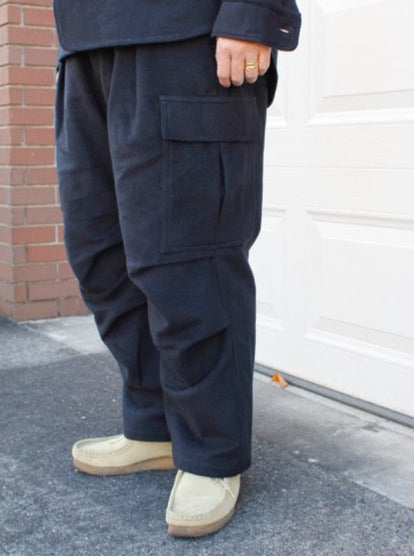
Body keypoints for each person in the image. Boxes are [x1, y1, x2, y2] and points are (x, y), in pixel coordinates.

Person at [53, 0, 301, 538]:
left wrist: (254, 10)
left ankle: (213, 450)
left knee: (190, 260)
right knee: (101, 252)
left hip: (186, 35)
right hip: (84, 44)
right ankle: (155, 426)